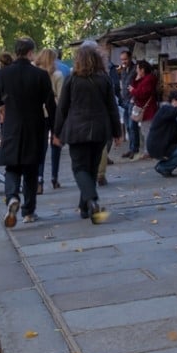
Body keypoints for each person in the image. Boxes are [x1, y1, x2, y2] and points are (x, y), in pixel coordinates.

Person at [53, 42, 121, 224]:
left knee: (79, 168)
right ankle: (86, 209)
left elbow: (62, 109)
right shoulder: (104, 79)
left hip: (77, 130)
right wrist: (117, 131)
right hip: (99, 130)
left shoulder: (72, 79)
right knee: (91, 168)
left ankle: (92, 200)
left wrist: (57, 131)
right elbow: (112, 107)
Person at [0, 37, 56, 227]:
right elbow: (50, 104)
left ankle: (12, 197)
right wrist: (55, 128)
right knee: (31, 170)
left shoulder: (2, 75)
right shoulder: (41, 75)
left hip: (11, 125)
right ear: (30, 53)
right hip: (35, 126)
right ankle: (29, 211)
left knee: (12, 167)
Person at [34, 48, 65, 191]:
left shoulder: (34, 73)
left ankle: (39, 179)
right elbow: (61, 98)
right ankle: (54, 177)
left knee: (40, 147)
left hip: (38, 113)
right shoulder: (57, 74)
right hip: (54, 113)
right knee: (56, 144)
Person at [145, 90, 177, 177]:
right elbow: (175, 112)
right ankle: (163, 167)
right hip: (158, 146)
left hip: (164, 144)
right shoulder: (165, 109)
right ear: (174, 100)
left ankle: (163, 166)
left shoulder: (170, 112)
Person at [125, 60, 159, 160]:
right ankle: (147, 151)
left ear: (142, 70)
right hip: (145, 109)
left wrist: (133, 90)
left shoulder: (149, 79)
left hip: (148, 109)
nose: (136, 71)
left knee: (147, 131)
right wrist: (136, 80)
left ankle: (148, 152)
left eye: (137, 69)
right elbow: (137, 88)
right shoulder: (145, 79)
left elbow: (142, 94)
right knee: (145, 131)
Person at [114, 50, 138, 164]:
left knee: (132, 126)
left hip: (133, 100)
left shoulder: (135, 69)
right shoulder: (123, 70)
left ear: (130, 58)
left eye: (125, 59)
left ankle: (134, 149)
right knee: (128, 127)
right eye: (122, 59)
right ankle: (131, 148)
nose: (123, 61)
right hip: (125, 100)